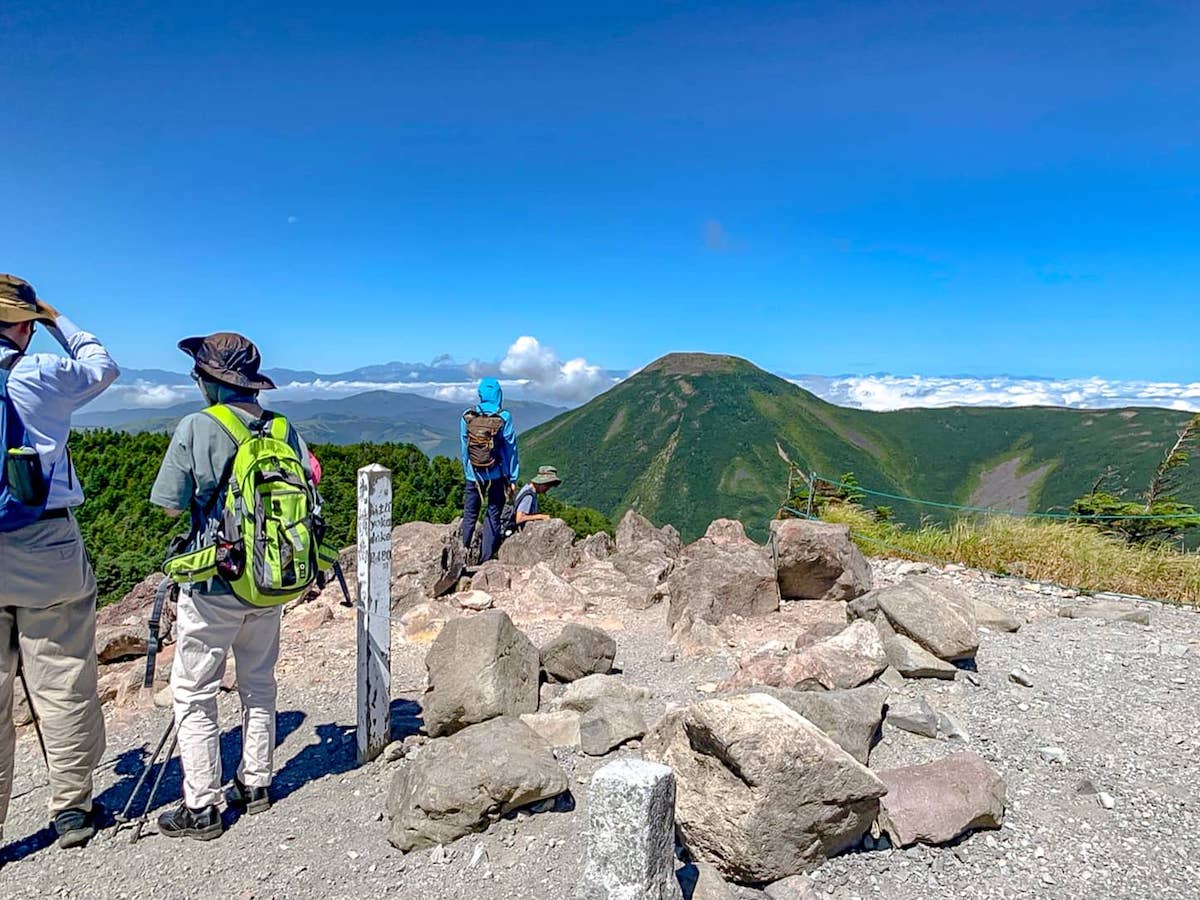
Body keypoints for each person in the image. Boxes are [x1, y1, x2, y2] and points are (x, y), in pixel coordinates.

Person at [150, 333, 315, 841]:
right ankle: (257, 783)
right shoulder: (284, 429)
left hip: (215, 583)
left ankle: (202, 806)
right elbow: (310, 484)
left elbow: (171, 504)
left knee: (195, 692)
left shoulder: (198, 426)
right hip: (271, 581)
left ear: (211, 381)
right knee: (258, 682)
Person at [0, 274, 119, 849]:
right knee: (63, 679)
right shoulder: (39, 372)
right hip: (45, 543)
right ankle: (72, 808)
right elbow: (103, 366)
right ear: (24, 324)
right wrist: (58, 322)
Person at [460, 377, 518, 563]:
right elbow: (511, 449)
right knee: (493, 515)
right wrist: (512, 477)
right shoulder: (503, 417)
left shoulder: (467, 417)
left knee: (470, 515)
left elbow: (464, 448)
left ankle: (461, 554)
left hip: (473, 474)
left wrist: (468, 470)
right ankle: (485, 560)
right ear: (499, 394)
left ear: (480, 394)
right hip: (497, 474)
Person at [511, 465, 563, 530]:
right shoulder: (528, 496)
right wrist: (540, 516)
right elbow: (519, 518)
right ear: (540, 483)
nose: (548, 488)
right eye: (547, 485)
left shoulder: (528, 489)